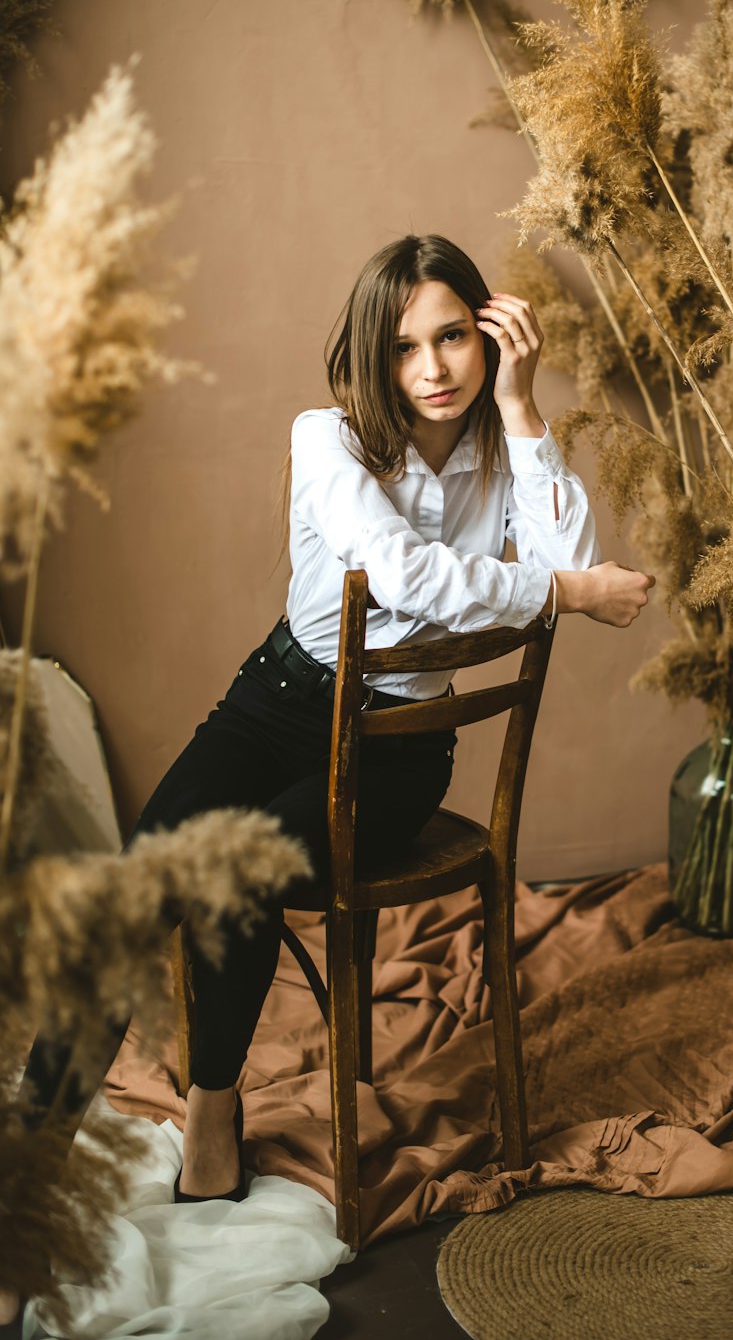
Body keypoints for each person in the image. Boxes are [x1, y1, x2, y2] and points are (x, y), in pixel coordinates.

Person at [21, 233, 654, 1214]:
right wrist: (565, 589)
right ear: (373, 353)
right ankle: (26, 1175)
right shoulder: (325, 437)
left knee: (234, 871)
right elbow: (425, 576)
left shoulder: (503, 444)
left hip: (396, 750)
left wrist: (525, 405)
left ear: (489, 335)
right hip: (272, 707)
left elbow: (565, 550)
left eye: (454, 337)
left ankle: (211, 1115)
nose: (433, 369)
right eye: (404, 347)